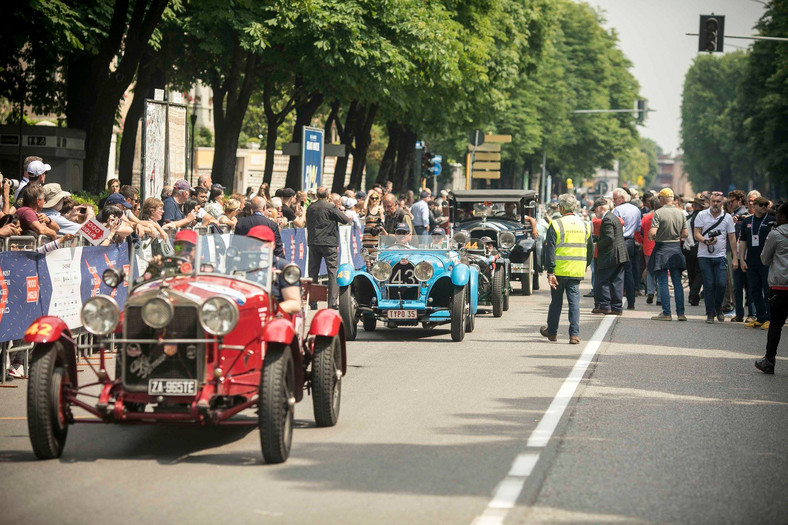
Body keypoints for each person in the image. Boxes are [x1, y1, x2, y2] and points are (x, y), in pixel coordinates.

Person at [540, 193, 591, 344]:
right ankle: (574, 334)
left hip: (559, 271)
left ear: (561, 207)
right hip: (576, 270)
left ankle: (552, 332)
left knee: (556, 302)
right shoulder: (585, 225)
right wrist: (584, 265)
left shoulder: (556, 224)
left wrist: (550, 271)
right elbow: (588, 248)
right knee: (574, 302)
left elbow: (550, 250)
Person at [694, 191, 739, 323]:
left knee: (720, 284)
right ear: (710, 202)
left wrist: (735, 258)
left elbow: (732, 238)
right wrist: (705, 241)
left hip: (720, 256)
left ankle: (718, 307)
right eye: (713, 201)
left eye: (718, 201)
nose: (715, 203)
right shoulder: (702, 215)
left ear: (722, 203)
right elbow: (696, 233)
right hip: (704, 256)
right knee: (708, 285)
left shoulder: (727, 218)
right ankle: (710, 313)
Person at [755, 202, 788, 374]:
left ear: (782, 217)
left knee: (776, 325)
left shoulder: (775, 235)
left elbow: (764, 259)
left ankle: (769, 361)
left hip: (780, 287)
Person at [306, 186, 351, 309]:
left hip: (314, 242)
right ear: (327, 195)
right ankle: (332, 302)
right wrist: (339, 210)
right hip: (329, 242)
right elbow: (345, 220)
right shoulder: (330, 207)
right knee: (332, 271)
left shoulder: (311, 207)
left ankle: (313, 302)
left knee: (313, 272)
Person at [648, 188, 688, 321]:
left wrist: (651, 235)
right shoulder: (681, 213)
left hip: (662, 248)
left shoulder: (659, 213)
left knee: (663, 282)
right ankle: (681, 313)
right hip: (676, 248)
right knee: (677, 282)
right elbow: (686, 234)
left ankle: (666, 313)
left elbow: (653, 233)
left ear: (662, 199)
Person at [739, 196, 776, 329]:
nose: (764, 207)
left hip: (767, 261)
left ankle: (770, 318)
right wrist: (742, 259)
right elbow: (743, 241)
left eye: (766, 204)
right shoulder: (747, 221)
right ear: (754, 206)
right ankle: (760, 317)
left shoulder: (772, 221)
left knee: (767, 290)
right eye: (760, 205)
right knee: (754, 290)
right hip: (751, 260)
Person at [247, 225, 301, 314]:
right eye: (251, 243)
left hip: (274, 318)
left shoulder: (283, 267)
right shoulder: (238, 265)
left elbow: (294, 303)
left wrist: (266, 310)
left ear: (272, 245)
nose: (254, 247)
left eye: (259, 243)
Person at [592, 198, 628, 316]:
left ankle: (605, 305)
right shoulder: (613, 217)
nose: (595, 213)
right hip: (620, 254)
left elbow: (609, 237)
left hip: (611, 254)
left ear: (601, 208)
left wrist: (597, 244)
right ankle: (617, 307)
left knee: (603, 279)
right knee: (617, 280)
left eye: (596, 210)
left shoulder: (607, 219)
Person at [612, 188, 641, 310]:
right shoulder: (636, 210)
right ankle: (631, 302)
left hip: (619, 242)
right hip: (631, 242)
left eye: (615, 199)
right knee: (629, 272)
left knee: (616, 273)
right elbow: (639, 228)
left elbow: (613, 227)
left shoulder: (617, 210)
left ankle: (616, 303)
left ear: (622, 198)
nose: (613, 201)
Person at [683, 196, 707, 306]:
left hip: (689, 248)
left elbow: (684, 235)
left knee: (691, 272)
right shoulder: (706, 218)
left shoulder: (688, 218)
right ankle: (694, 294)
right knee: (700, 272)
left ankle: (693, 296)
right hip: (702, 247)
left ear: (694, 206)